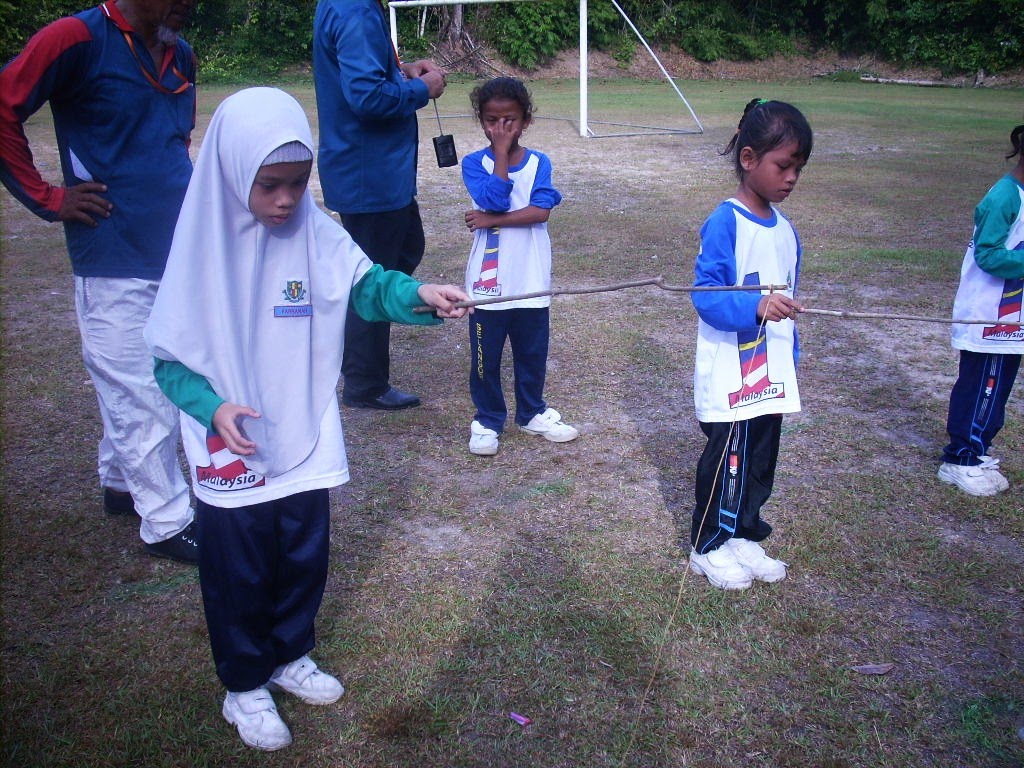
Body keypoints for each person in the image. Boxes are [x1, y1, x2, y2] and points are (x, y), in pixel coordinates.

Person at [144, 87, 469, 751]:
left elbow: (367, 287)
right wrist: (213, 409)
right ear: (234, 174)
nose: (286, 201)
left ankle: (290, 652)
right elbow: (169, 364)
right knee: (238, 571)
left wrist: (420, 295)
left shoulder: (313, 230)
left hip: (301, 424)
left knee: (301, 553)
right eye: (270, 186)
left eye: (297, 183)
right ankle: (244, 684)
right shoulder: (199, 246)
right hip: (228, 442)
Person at [0, 0, 200, 563]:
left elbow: (170, 147)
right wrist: (48, 198)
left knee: (161, 372)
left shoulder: (179, 50)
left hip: (176, 249)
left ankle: (120, 483)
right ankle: (166, 521)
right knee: (138, 389)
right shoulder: (74, 38)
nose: (190, 8)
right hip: (112, 253)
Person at [687, 98, 813, 591]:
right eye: (784, 165)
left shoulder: (786, 230)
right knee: (729, 457)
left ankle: (743, 530)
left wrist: (791, 356)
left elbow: (790, 297)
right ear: (748, 159)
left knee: (761, 456)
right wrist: (755, 308)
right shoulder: (726, 222)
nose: (791, 178)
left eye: (798, 169)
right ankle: (708, 543)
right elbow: (706, 296)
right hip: (731, 369)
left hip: (771, 372)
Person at [313, 0, 447, 411]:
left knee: (406, 248)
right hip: (367, 173)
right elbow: (367, 96)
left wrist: (400, 73)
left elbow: (365, 76)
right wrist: (422, 89)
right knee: (371, 275)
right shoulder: (354, 11)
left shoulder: (352, 7)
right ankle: (364, 382)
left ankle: (355, 354)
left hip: (377, 172)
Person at [460, 77, 579, 457]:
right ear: (482, 121)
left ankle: (531, 412)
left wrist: (490, 221)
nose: (500, 128)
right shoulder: (473, 163)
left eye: (508, 120)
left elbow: (541, 210)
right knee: (485, 359)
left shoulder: (540, 162)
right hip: (487, 284)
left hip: (531, 277)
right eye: (491, 120)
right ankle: (488, 418)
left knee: (531, 353)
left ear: (525, 120)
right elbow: (494, 198)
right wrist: (499, 153)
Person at [938, 120, 1024, 496]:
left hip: (1012, 317)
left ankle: (979, 449)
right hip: (988, 315)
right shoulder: (1005, 197)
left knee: (999, 387)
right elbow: (989, 255)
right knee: (981, 387)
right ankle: (960, 458)